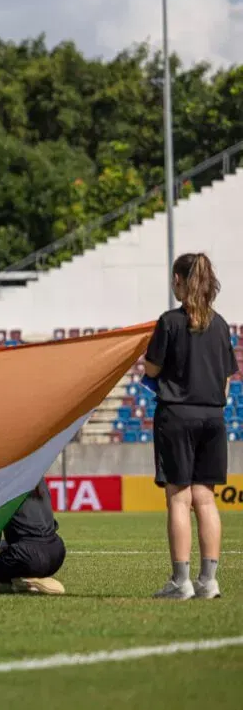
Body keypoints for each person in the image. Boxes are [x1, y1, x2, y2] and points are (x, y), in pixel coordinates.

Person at [144, 252, 239, 600]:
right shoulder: (221, 324)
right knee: (206, 499)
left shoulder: (169, 322)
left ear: (180, 281)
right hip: (213, 418)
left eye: (175, 279)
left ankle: (180, 582)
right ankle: (208, 581)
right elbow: (227, 379)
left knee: (179, 499)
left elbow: (151, 369)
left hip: (177, 416)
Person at [0, 479, 66, 595]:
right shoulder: (39, 480)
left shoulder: (4, 485)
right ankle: (25, 579)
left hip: (26, 556)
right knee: (5, 548)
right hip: (57, 552)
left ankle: (24, 584)